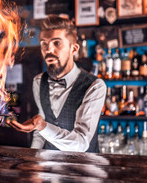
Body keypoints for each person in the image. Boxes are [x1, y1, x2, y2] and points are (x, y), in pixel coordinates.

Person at [8, 15, 106, 152]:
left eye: (57, 43)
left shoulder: (94, 86)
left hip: (83, 169)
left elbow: (81, 144)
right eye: (44, 44)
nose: (49, 50)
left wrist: (42, 126)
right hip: (49, 166)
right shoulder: (38, 81)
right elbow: (39, 132)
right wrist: (32, 158)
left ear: (74, 49)